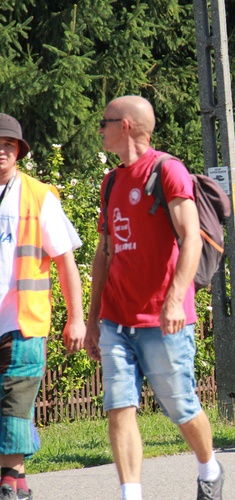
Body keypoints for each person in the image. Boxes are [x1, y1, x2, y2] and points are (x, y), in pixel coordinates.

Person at [83, 96, 223, 500]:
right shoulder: (110, 181)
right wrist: (93, 320)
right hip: (116, 319)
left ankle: (209, 468)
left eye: (105, 122)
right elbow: (104, 253)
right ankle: (131, 495)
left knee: (180, 407)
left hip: (163, 319)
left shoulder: (168, 171)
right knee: (119, 407)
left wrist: (176, 299)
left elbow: (191, 238)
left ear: (125, 125)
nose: (101, 129)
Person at [0, 114, 85, 500]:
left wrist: (77, 318)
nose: (2, 151)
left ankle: (8, 479)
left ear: (18, 151)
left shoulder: (38, 196)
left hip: (24, 321)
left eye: (9, 145)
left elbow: (66, 262)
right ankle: (15, 482)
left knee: (15, 401)